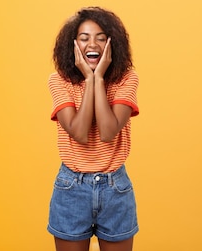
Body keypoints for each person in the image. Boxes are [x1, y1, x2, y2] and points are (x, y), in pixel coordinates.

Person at [46, 7, 139, 251]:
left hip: (115, 188)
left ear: (112, 43)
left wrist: (99, 79)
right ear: (73, 44)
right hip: (71, 188)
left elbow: (109, 132)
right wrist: (90, 79)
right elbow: (80, 133)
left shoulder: (127, 79)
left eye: (100, 37)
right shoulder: (58, 81)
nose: (92, 44)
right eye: (84, 38)